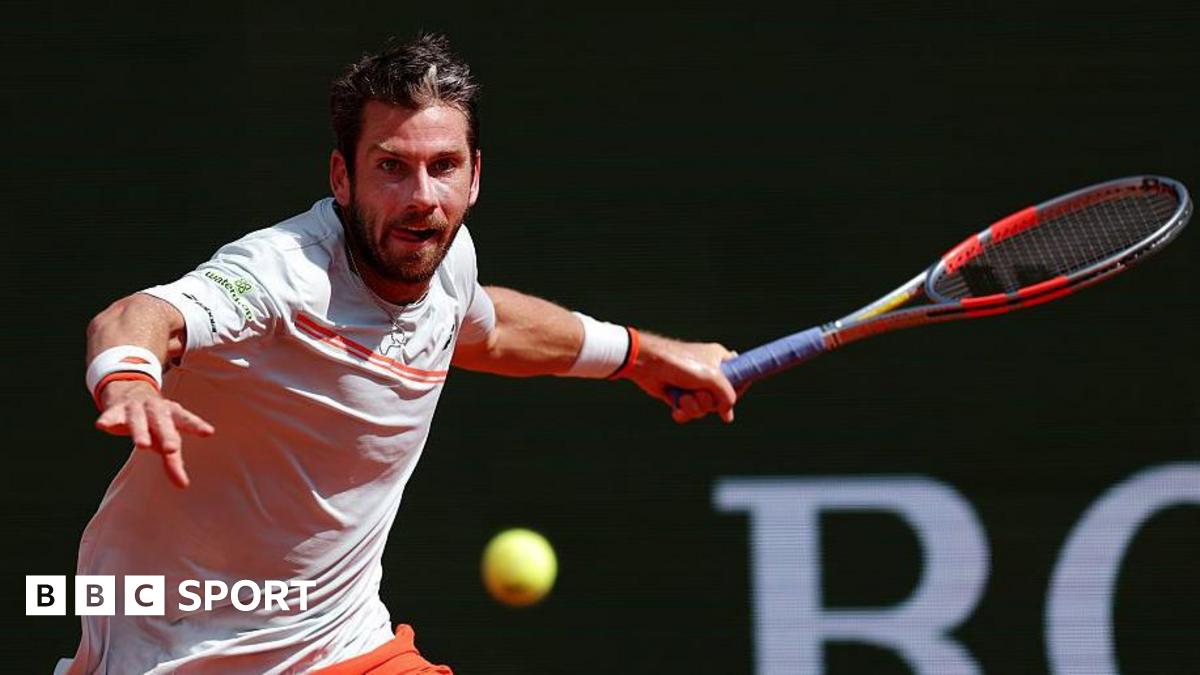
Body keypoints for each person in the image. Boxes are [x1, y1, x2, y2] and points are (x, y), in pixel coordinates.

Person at [62, 33, 737, 674]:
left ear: (473, 176)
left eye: (443, 167)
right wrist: (131, 383)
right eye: (391, 167)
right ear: (342, 176)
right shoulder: (283, 273)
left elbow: (490, 328)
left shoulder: (447, 260)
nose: (421, 197)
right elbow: (140, 316)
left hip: (343, 645)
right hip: (168, 646)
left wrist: (644, 355)